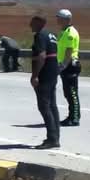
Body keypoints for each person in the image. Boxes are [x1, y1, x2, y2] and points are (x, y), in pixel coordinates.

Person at [30, 15, 61, 149]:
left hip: (45, 72)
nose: (30, 25)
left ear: (40, 23)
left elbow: (42, 56)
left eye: (32, 22)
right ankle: (55, 137)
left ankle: (52, 138)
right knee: (52, 105)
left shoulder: (40, 36)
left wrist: (35, 75)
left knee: (44, 106)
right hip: (53, 71)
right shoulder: (51, 35)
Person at [56, 9, 81, 127]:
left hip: (70, 65)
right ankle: (71, 116)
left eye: (59, 18)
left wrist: (63, 66)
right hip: (65, 65)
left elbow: (69, 52)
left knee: (72, 93)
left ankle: (75, 118)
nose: (57, 20)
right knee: (68, 93)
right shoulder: (63, 31)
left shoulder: (70, 33)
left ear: (66, 19)